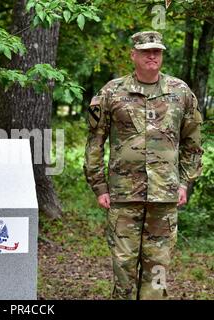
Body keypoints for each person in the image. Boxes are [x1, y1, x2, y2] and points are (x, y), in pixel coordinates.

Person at [84, 31, 203, 300]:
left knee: (158, 269)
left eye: (157, 51)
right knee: (123, 268)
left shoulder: (180, 92)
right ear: (133, 54)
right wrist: (99, 186)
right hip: (123, 196)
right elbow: (94, 143)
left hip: (164, 195)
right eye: (146, 51)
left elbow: (193, 143)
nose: (152, 55)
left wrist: (184, 182)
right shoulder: (112, 92)